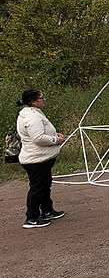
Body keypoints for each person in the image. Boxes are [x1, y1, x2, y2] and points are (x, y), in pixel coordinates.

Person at [16, 89, 66, 228]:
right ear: (33, 102)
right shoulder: (32, 117)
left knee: (45, 185)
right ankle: (31, 218)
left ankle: (47, 211)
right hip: (36, 159)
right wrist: (55, 139)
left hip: (41, 158)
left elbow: (39, 132)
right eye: (41, 98)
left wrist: (54, 134)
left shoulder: (32, 112)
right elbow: (38, 138)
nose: (44, 99)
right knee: (38, 188)